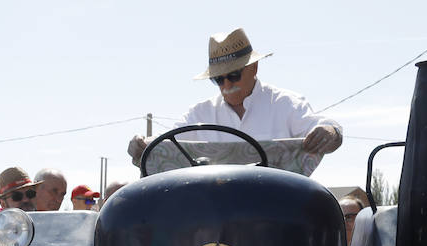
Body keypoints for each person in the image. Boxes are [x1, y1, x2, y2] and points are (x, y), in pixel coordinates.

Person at [127, 28, 343, 166]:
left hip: (276, 216)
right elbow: (164, 145)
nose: (227, 85)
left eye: (233, 76)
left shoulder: (286, 104)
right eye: (218, 80)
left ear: (254, 68)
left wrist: (331, 132)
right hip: (212, 220)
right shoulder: (199, 113)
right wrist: (142, 146)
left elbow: (325, 130)